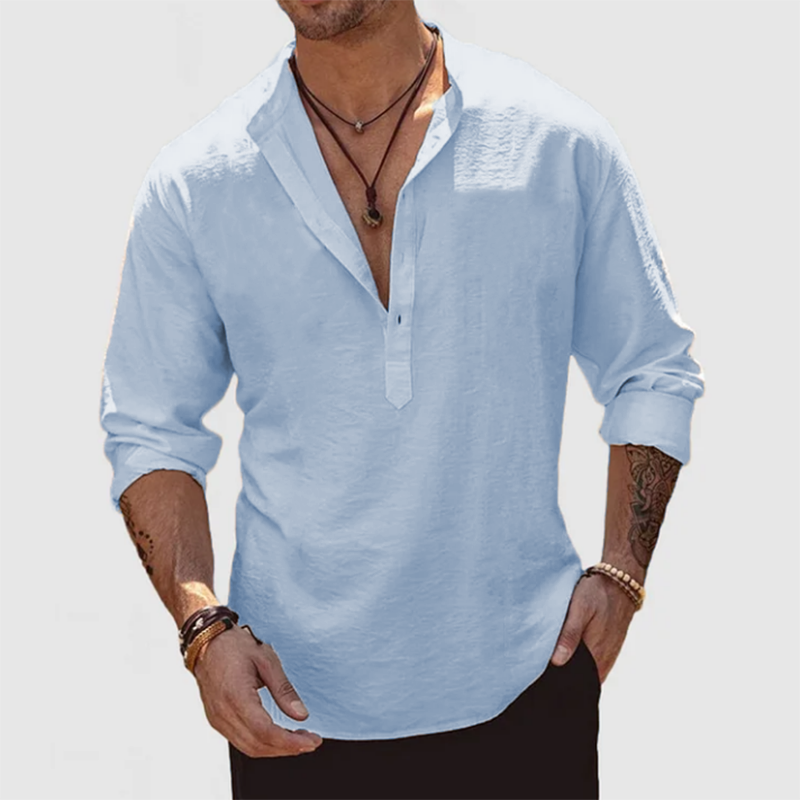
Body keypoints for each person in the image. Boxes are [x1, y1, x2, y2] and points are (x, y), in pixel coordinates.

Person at [99, 1, 705, 798]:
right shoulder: (197, 181)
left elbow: (651, 367)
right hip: (289, 712)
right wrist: (202, 626)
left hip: (527, 687)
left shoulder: (556, 144)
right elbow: (150, 428)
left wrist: (623, 572)